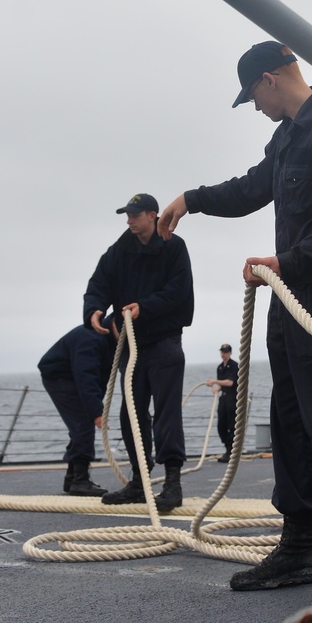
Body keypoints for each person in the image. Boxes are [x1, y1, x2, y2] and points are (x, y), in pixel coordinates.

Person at [158, 42, 312, 596]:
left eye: (253, 97)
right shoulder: (286, 137)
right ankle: (298, 547)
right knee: (289, 420)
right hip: (289, 299)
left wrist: (284, 262)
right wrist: (191, 199)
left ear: (269, 80)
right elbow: (250, 189)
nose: (256, 108)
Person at [83, 193, 194, 514]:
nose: (129, 221)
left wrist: (142, 308)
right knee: (129, 414)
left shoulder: (174, 247)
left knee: (166, 414)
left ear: (152, 215)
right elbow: (99, 283)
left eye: (134, 215)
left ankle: (172, 484)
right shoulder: (119, 252)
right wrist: (94, 309)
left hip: (165, 343)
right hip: (132, 346)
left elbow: (179, 291)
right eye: (127, 216)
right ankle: (138, 480)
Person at [37, 324, 116, 495]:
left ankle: (72, 478)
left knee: (81, 424)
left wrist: (95, 406)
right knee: (83, 425)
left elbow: (98, 377)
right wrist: (96, 412)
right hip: (60, 377)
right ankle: (79, 481)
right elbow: (86, 376)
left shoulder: (110, 340)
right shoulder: (92, 339)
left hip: (72, 377)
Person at [206, 343, 239, 462]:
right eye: (222, 352)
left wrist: (214, 381)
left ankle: (231, 451)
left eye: (225, 352)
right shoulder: (220, 367)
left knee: (231, 424)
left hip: (232, 398)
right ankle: (227, 448)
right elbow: (222, 383)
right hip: (223, 398)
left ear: (230, 353)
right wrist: (216, 388)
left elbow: (230, 382)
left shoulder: (234, 366)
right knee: (221, 425)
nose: (223, 354)